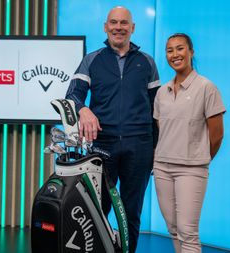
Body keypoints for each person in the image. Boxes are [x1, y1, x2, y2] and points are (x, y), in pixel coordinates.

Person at [65, 6, 160, 253]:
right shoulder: (92, 59)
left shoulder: (147, 62)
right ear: (106, 27)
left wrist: (155, 151)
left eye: (124, 23)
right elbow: (72, 95)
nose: (119, 27)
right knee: (98, 208)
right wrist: (82, 109)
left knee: (131, 211)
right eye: (114, 23)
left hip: (139, 145)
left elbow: (157, 112)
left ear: (132, 28)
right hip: (102, 145)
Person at [153, 33, 225, 253]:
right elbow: (160, 131)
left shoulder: (206, 87)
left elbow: (217, 135)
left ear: (191, 52)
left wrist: (198, 158)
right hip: (162, 167)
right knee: (173, 228)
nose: (175, 54)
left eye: (180, 48)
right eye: (170, 50)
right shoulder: (161, 92)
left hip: (191, 169)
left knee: (188, 232)